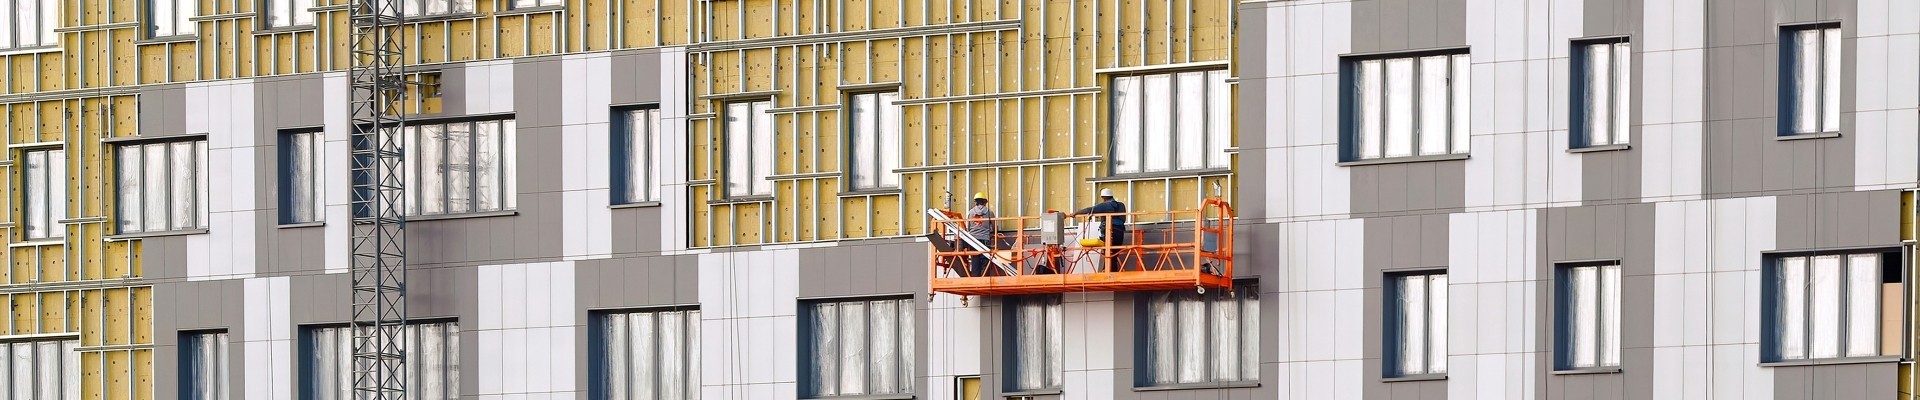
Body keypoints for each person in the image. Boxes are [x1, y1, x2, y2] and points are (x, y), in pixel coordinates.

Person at [1070, 188, 1128, 271]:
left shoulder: (1106, 205)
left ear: (1103, 197)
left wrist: (1075, 213)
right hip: (1120, 232)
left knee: (1108, 253)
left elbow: (1089, 210)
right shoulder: (1121, 205)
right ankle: (1111, 271)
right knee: (1114, 254)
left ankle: (1108, 271)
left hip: (1110, 232)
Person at [965, 192, 997, 277]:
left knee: (975, 261)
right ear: (984, 202)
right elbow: (994, 227)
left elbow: (968, 227)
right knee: (985, 261)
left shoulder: (970, 212)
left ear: (976, 202)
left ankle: (975, 280)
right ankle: (984, 278)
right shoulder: (989, 212)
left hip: (973, 240)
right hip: (985, 240)